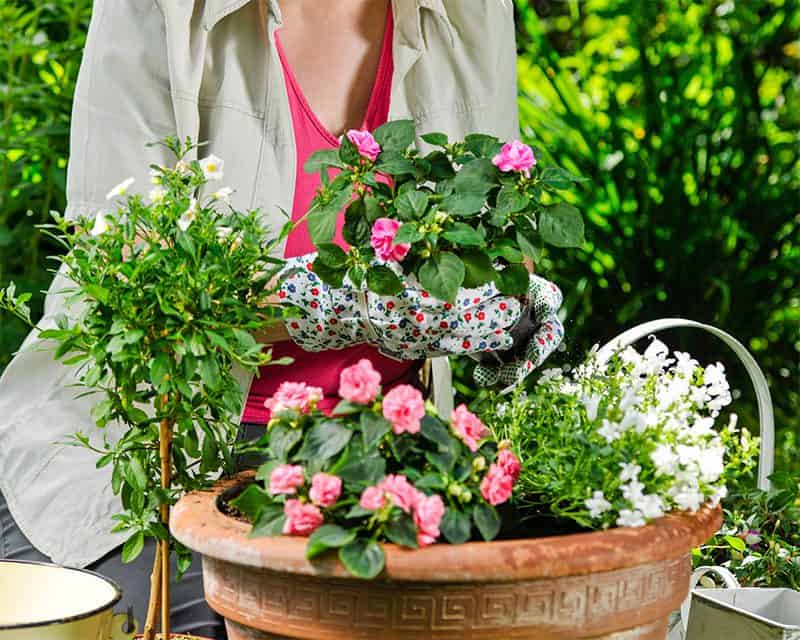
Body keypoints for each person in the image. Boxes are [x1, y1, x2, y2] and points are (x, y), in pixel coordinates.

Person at [0, 1, 563, 638]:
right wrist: (349, 304)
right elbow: (132, 277)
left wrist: (506, 309)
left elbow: (491, 234)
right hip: (161, 448)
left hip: (378, 459)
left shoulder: (469, 9)